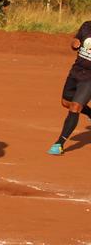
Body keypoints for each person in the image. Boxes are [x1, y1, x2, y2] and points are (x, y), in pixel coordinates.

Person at [46, 21, 91, 155]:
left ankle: (59, 143)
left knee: (75, 107)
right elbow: (76, 40)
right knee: (66, 102)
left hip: (89, 78)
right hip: (76, 72)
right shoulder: (87, 26)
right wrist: (74, 44)